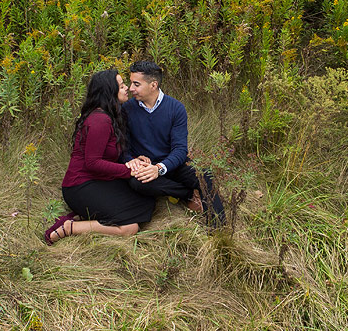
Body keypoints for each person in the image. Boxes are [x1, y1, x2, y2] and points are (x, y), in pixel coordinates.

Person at [44, 69, 154, 244]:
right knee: (130, 228)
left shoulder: (110, 115)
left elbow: (111, 155)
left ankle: (84, 216)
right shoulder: (99, 120)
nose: (127, 88)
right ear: (109, 91)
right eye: (121, 86)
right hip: (80, 185)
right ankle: (69, 227)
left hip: (98, 180)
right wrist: (129, 170)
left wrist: (133, 160)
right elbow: (93, 163)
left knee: (145, 203)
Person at [122, 60, 226, 226]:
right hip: (145, 167)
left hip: (172, 164)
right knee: (136, 182)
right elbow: (123, 146)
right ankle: (188, 195)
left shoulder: (176, 108)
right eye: (131, 83)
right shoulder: (127, 109)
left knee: (205, 174)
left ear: (153, 85)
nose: (131, 88)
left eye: (136, 84)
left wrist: (160, 168)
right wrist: (132, 160)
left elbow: (180, 149)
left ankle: (219, 230)